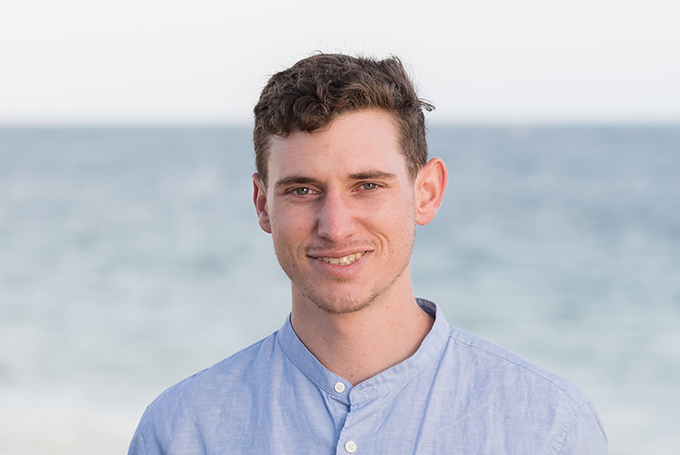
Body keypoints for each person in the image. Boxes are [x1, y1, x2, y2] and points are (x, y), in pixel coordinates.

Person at [128, 54, 608, 454]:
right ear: (262, 204)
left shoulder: (547, 429)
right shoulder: (182, 432)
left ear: (427, 193)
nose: (335, 226)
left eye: (368, 186)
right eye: (302, 190)